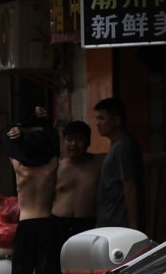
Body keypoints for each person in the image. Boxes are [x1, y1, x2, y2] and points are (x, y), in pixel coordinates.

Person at [5, 112, 61, 274]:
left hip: (27, 225)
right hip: (47, 223)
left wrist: (18, 131)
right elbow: (53, 139)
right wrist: (38, 126)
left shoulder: (19, 168)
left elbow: (8, 142)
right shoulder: (52, 165)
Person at [94, 97, 143, 230]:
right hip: (111, 222)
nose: (97, 123)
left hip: (118, 223)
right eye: (96, 119)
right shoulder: (118, 146)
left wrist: (134, 228)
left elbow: (130, 188)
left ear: (116, 120)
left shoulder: (123, 147)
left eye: (101, 119)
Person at [50, 120, 103, 236]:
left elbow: (130, 159)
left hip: (87, 224)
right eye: (69, 139)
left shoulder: (99, 162)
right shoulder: (57, 167)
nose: (74, 144)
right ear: (63, 142)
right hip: (59, 223)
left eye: (79, 139)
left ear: (88, 142)